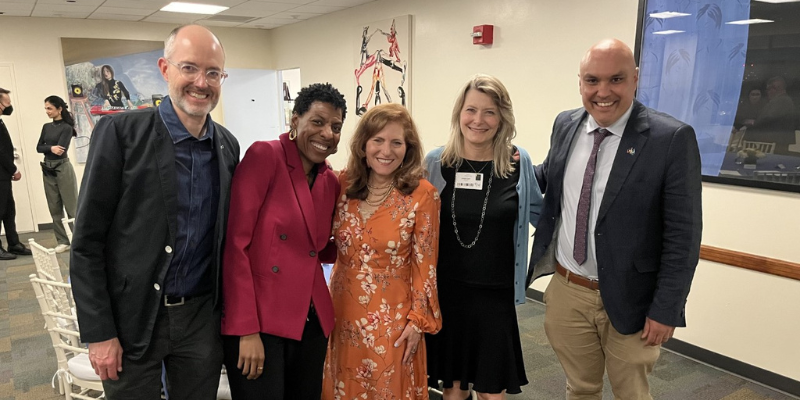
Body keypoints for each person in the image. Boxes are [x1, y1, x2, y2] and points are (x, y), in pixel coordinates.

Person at [526, 39, 702, 400]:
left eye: (616, 80)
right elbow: (546, 175)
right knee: (581, 388)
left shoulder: (670, 139)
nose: (602, 92)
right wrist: (497, 161)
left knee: (630, 393)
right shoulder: (566, 124)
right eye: (592, 80)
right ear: (580, 82)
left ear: (635, 79)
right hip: (568, 290)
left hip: (633, 299)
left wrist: (666, 309)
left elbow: (683, 235)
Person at [70, 25, 239, 399]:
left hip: (198, 320)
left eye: (213, 72)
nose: (201, 82)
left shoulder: (227, 146)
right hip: (132, 317)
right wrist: (99, 332)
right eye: (189, 68)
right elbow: (86, 243)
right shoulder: (120, 134)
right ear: (165, 69)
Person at [221, 82, 346, 400]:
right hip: (262, 322)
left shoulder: (329, 181)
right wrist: (245, 330)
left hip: (311, 320)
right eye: (317, 122)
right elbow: (237, 246)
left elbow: (317, 248)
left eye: (336, 127)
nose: (327, 133)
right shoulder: (266, 156)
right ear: (295, 120)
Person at [424, 74, 542, 400]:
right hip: (448, 291)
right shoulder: (436, 162)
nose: (478, 120)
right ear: (458, 114)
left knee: (493, 391)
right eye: (470, 110)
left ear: (502, 117)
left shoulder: (518, 163)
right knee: (454, 388)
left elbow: (542, 217)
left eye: (489, 112)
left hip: (495, 295)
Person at [322, 103, 441, 400]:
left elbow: (425, 265)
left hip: (392, 318)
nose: (386, 150)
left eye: (396, 142)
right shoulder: (343, 184)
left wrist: (417, 322)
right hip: (342, 311)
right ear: (363, 144)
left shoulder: (422, 194)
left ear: (408, 148)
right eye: (378, 140)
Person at [36, 95, 78, 253]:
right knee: (54, 207)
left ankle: (78, 240)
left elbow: (61, 150)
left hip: (63, 168)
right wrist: (50, 148)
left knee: (72, 207)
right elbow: (39, 147)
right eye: (46, 108)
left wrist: (50, 147)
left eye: (50, 108)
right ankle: (63, 241)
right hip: (48, 169)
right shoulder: (46, 127)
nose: (47, 111)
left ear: (59, 109)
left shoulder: (66, 128)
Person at [0, 87, 32, 259]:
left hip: (3, 175)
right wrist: (14, 169)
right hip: (2, 174)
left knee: (8, 210)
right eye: (6, 103)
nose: (9, 107)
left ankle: (14, 244)